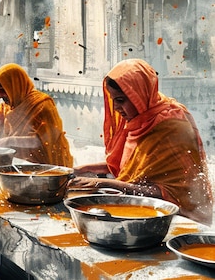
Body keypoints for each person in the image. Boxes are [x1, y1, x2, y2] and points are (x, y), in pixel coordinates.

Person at [71, 58, 213, 225]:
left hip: (182, 219)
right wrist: (82, 169)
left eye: (121, 100)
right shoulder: (140, 121)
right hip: (146, 212)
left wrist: (103, 182)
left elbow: (168, 194)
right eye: (113, 100)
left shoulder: (170, 127)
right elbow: (130, 167)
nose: (116, 108)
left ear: (138, 96)